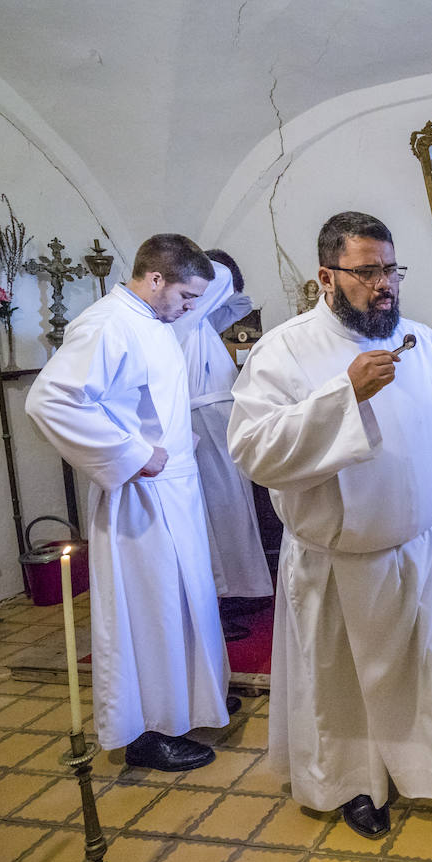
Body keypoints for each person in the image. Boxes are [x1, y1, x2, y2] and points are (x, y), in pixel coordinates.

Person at [226, 211, 432, 844]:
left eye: (391, 270)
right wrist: (342, 396)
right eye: (367, 271)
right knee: (344, 688)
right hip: (342, 557)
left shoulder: (411, 336)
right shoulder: (286, 350)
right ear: (327, 276)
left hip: (426, 546)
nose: (385, 285)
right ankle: (352, 786)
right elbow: (253, 448)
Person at [26, 233, 238, 773]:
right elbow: (49, 400)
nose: (191, 309)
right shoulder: (107, 324)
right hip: (142, 494)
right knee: (153, 612)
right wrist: (134, 453)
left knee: (188, 603)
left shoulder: (152, 320)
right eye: (187, 297)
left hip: (173, 488)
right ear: (156, 279)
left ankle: (191, 701)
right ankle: (148, 731)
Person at [172, 249, 274, 628]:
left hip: (221, 418)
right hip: (203, 419)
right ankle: (219, 597)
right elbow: (218, 276)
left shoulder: (197, 323)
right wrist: (210, 267)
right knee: (218, 513)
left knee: (235, 509)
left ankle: (239, 588)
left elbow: (237, 304)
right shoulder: (184, 317)